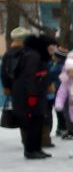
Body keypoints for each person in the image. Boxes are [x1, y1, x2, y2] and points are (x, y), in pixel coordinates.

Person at [9, 31, 54, 159]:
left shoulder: (36, 55)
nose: (52, 48)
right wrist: (32, 96)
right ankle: (30, 150)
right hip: (29, 96)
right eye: (50, 46)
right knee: (33, 123)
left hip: (36, 95)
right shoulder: (33, 56)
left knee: (38, 122)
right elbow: (29, 77)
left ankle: (36, 148)